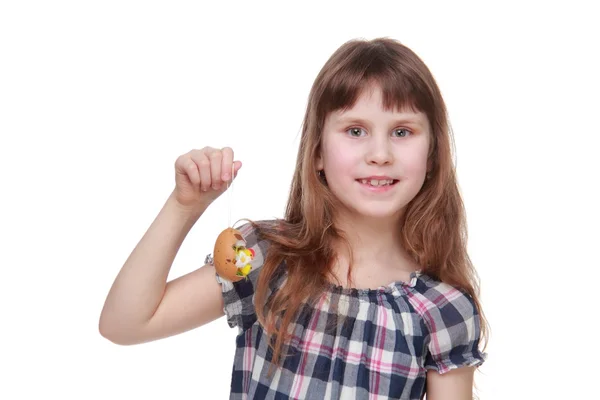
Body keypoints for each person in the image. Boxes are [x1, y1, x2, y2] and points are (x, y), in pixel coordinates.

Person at [99, 37, 489, 399]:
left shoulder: (443, 309)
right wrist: (185, 207)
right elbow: (125, 324)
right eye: (356, 130)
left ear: (433, 156)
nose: (380, 153)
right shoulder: (268, 260)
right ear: (317, 151)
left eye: (402, 132)